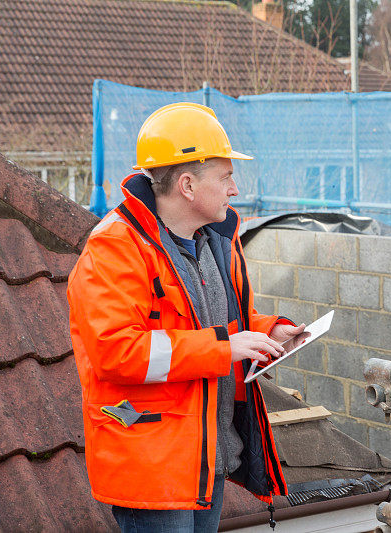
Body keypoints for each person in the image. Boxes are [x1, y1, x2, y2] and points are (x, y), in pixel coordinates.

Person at [67, 102, 305, 532]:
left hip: (204, 459)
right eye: (226, 176)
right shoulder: (115, 249)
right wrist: (225, 348)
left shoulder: (214, 240)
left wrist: (268, 332)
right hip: (154, 467)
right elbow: (117, 352)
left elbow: (218, 321)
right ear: (188, 184)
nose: (235, 189)